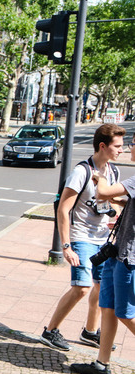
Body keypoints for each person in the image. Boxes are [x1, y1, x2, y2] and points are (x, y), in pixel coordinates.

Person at [40, 123, 125, 351]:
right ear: (102, 146)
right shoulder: (81, 172)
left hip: (103, 238)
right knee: (82, 287)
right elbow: (63, 209)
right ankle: (50, 331)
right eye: (117, 146)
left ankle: (90, 331)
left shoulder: (113, 172)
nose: (121, 150)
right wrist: (66, 246)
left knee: (101, 286)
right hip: (81, 238)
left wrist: (115, 214)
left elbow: (112, 202)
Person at [71, 132, 135, 374]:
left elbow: (102, 192)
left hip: (130, 257)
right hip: (118, 252)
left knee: (125, 313)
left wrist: (99, 178)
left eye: (131, 144)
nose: (128, 148)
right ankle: (101, 364)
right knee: (107, 307)